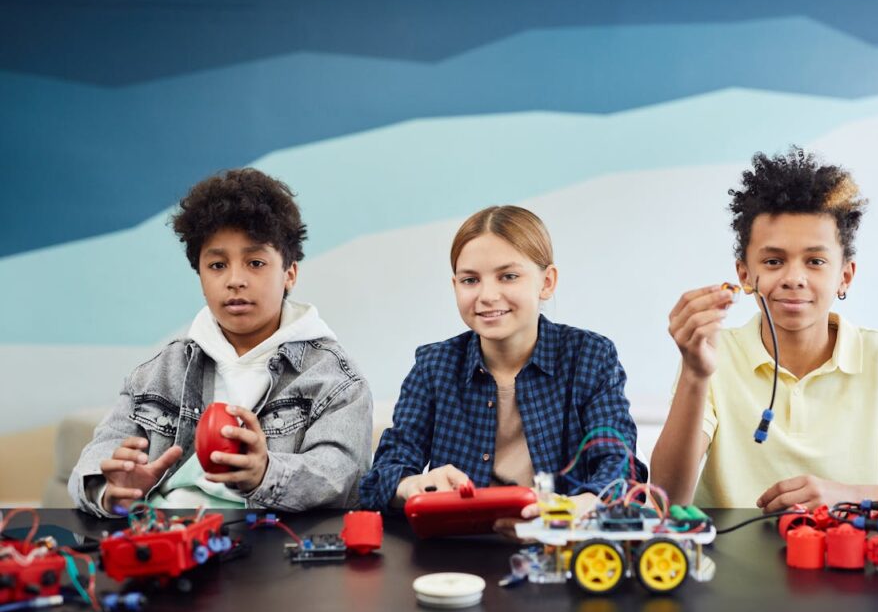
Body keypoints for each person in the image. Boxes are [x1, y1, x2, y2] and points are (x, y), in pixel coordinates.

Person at [652, 148, 878, 511]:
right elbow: (665, 499)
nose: (794, 278)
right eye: (774, 261)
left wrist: (858, 495)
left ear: (845, 276)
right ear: (744, 275)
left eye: (815, 261)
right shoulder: (713, 358)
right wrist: (695, 376)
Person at [70, 168, 372, 516]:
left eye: (255, 262)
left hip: (269, 537)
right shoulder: (158, 373)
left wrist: (265, 474)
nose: (235, 280)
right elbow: (95, 459)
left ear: (289, 273)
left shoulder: (335, 381)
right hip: (162, 530)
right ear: (200, 275)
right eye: (217, 265)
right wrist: (110, 490)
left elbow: (343, 477)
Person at [359, 205, 646, 525]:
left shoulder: (590, 357)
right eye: (470, 280)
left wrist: (582, 504)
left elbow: (620, 467)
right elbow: (382, 476)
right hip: (459, 543)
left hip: (557, 540)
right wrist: (412, 485)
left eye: (508, 276)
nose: (487, 295)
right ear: (455, 286)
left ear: (547, 282)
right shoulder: (433, 366)